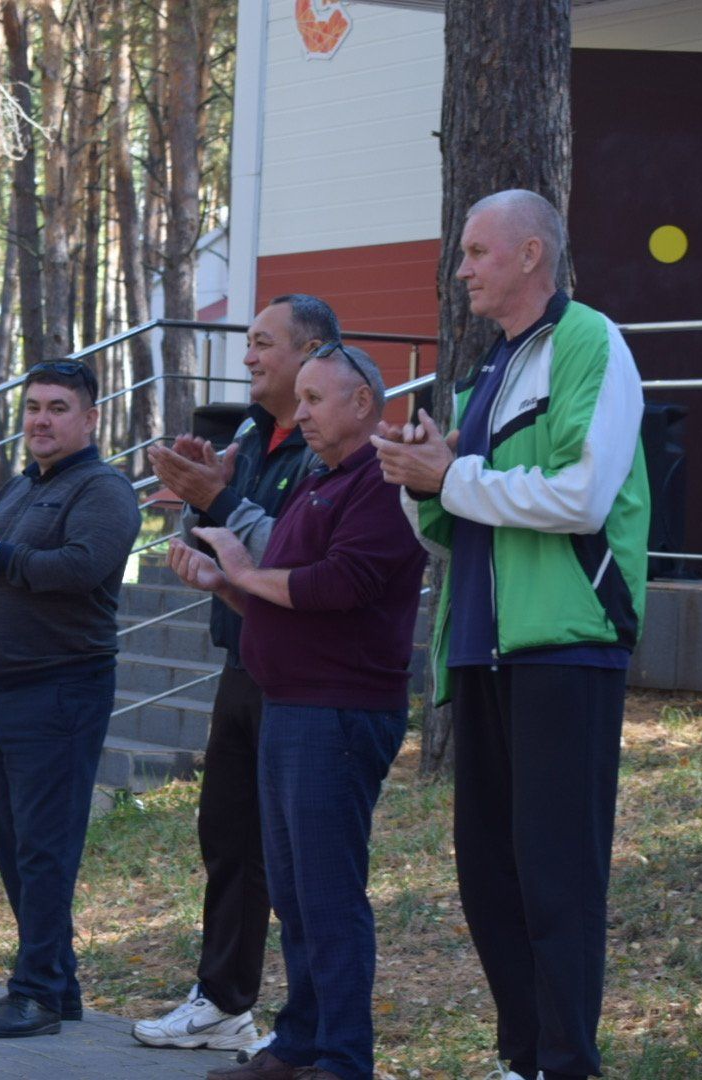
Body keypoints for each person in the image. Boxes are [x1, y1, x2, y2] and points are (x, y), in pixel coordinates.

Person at [373, 189, 650, 1080]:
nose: (461, 272)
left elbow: (580, 495)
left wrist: (453, 475)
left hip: (565, 644)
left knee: (557, 879)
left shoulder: (590, 342)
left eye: (476, 253)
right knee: (489, 878)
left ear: (532, 254)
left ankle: (569, 1064)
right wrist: (421, 484)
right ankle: (522, 1058)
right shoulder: (487, 370)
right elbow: (460, 526)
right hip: (480, 649)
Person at [170, 345, 426, 1080]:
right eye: (301, 399)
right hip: (290, 706)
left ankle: (344, 1058)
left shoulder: (381, 479)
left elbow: (338, 586)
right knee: (291, 891)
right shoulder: (320, 480)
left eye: (317, 400)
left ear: (364, 405)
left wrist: (247, 570)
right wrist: (224, 583)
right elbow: (280, 596)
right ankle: (302, 1040)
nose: (302, 413)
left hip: (339, 713)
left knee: (326, 893)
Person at [133, 295, 340, 1053]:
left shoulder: (327, 445)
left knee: (295, 855)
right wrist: (197, 493)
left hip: (302, 673)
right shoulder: (255, 434)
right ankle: (224, 1001)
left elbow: (286, 550)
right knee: (227, 835)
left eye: (263, 343)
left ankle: (311, 1028)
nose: (249, 357)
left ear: (312, 350)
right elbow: (229, 539)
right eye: (248, 343)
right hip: (242, 657)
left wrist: (215, 494)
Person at [0, 360, 141, 1039]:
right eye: (32, 409)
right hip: (8, 688)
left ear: (90, 417)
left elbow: (81, 569)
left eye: (57, 408)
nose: (42, 421)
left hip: (62, 689)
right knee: (16, 842)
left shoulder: (103, 489)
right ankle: (55, 981)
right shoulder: (25, 485)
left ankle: (38, 996)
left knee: (44, 849)